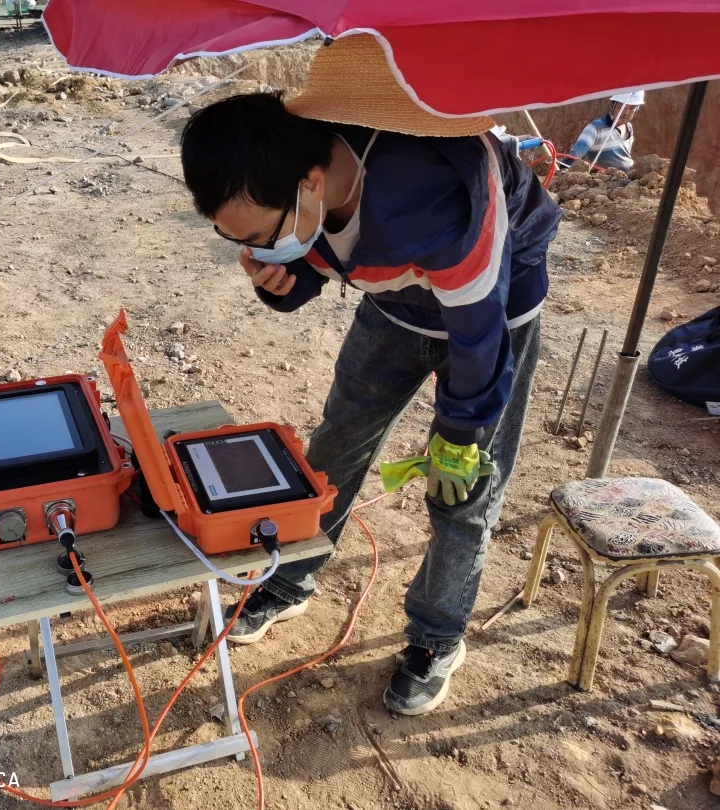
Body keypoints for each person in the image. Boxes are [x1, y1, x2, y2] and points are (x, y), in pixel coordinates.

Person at [178, 35, 561, 716]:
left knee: (462, 486)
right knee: (336, 447)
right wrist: (280, 281)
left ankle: (438, 635)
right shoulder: (302, 160)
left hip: (493, 313)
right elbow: (322, 258)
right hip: (395, 309)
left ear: (311, 184)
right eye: (235, 239)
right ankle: (290, 579)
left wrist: (462, 432)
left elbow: (478, 336)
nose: (252, 249)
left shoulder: (437, 205)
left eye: (258, 237)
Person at [565, 91, 645, 171]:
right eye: (621, 106)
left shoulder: (629, 128)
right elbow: (575, 154)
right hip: (606, 177)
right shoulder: (595, 128)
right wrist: (564, 168)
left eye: (632, 108)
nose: (626, 112)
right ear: (613, 105)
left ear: (636, 110)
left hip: (629, 175)